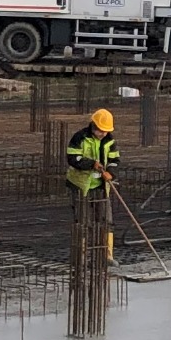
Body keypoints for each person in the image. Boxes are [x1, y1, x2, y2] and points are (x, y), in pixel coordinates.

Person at [65, 107, 119, 261]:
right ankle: (80, 256)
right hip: (81, 186)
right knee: (83, 221)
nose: (103, 134)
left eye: (106, 131)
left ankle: (107, 255)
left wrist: (111, 172)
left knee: (106, 220)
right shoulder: (80, 138)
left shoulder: (110, 141)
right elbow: (72, 158)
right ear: (93, 126)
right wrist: (91, 164)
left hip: (101, 186)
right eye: (101, 130)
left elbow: (115, 160)